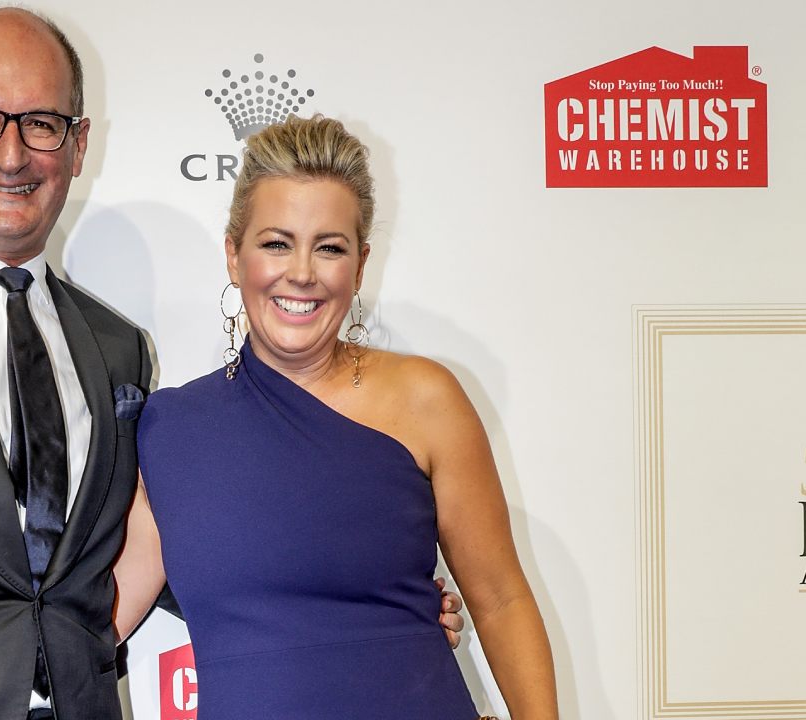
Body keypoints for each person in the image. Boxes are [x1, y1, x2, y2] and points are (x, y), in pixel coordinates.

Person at [0, 8, 466, 719]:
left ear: (78, 145)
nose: (12, 154)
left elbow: (168, 544)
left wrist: (370, 588)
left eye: (41, 124)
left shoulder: (114, 346)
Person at [113, 115, 558, 718]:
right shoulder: (170, 429)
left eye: (329, 247)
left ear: (361, 264)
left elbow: (502, 599)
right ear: (234, 256)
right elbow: (98, 620)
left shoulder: (426, 399)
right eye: (276, 243)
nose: (301, 272)